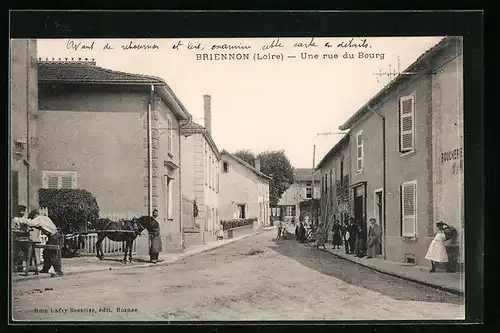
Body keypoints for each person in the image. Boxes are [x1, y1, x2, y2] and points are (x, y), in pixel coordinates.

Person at [22, 209, 64, 276]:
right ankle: (45, 269)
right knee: (46, 253)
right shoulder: (44, 218)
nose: (33, 219)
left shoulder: (39, 218)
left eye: (32, 218)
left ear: (35, 216)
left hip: (54, 237)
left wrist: (20, 221)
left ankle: (59, 272)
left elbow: (30, 223)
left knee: (54, 254)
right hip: (54, 236)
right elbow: (42, 226)